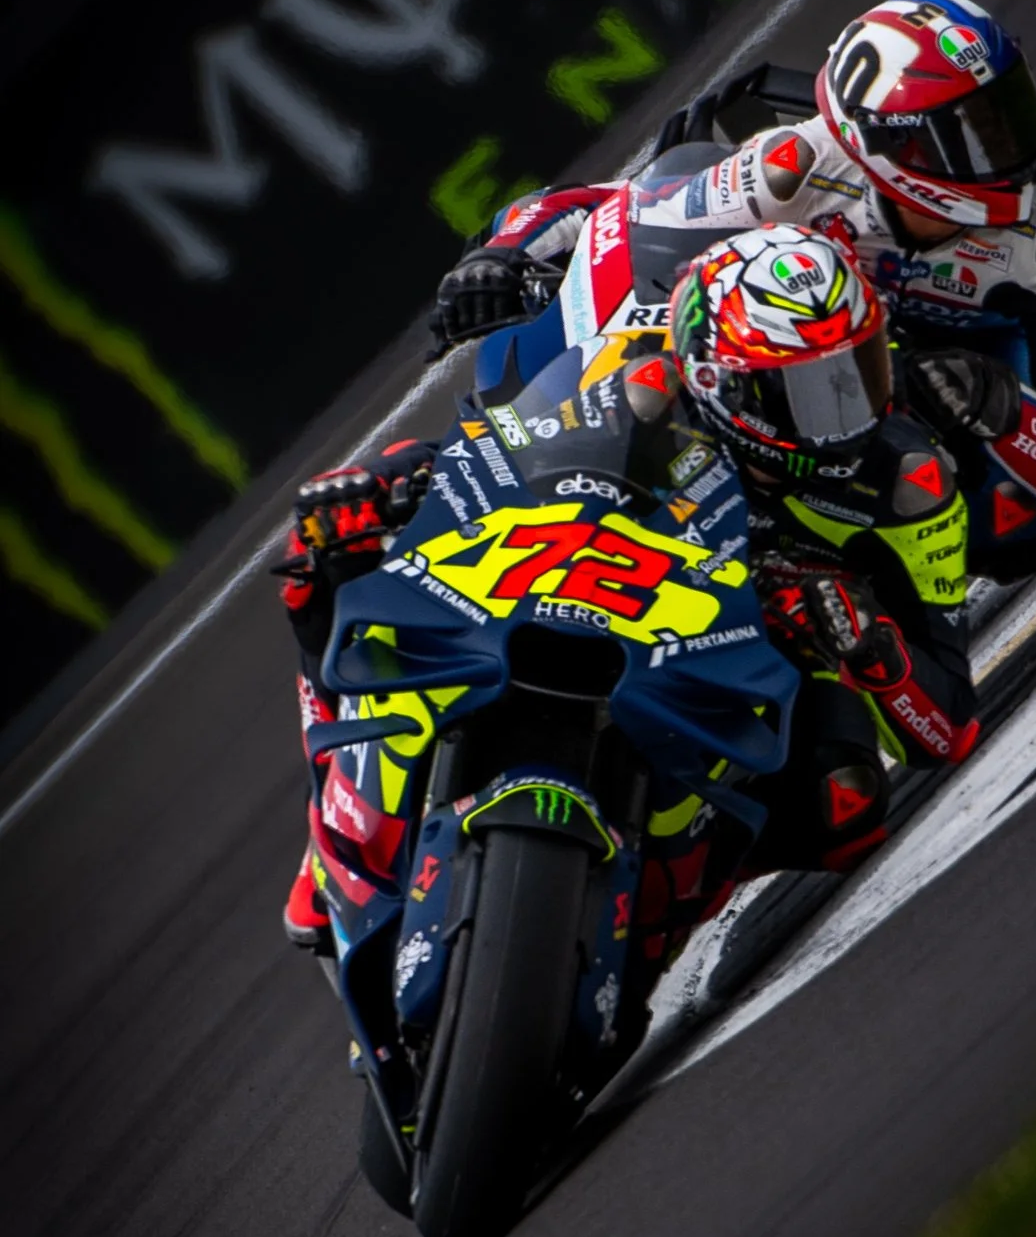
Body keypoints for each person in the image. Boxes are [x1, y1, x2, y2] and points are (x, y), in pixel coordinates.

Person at [277, 227, 977, 948]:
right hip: (577, 582)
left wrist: (869, 643)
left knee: (845, 801)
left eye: (857, 372)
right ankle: (328, 809)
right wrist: (392, 486)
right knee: (326, 549)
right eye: (811, 390)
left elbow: (947, 725)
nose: (847, 414)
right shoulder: (639, 385)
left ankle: (669, 901)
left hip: (744, 664)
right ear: (725, 382)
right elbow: (490, 448)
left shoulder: (906, 484)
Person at [435, 0, 1036, 581]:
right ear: (896, 146)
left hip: (927, 385)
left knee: (1012, 534)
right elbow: (622, 209)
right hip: (804, 354)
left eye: (1008, 113)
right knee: (684, 190)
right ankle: (542, 434)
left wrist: (998, 404)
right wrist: (502, 252)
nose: (1012, 151)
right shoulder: (797, 166)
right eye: (975, 133)